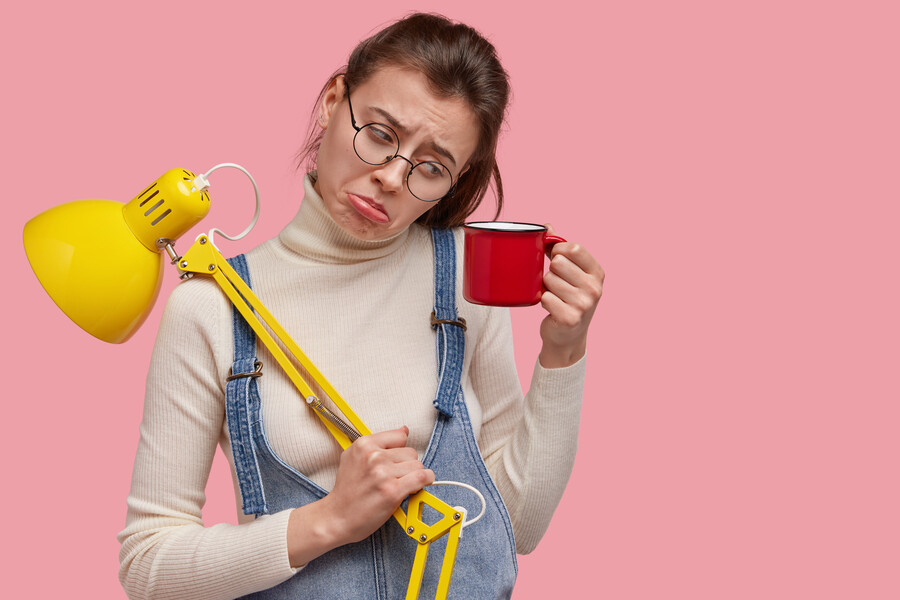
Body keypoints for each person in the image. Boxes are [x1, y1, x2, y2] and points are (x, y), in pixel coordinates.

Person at [118, 12, 604, 600]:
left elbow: (515, 527)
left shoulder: (464, 281)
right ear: (332, 101)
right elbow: (148, 566)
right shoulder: (211, 310)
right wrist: (327, 522)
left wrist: (564, 350)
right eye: (378, 133)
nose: (392, 178)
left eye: (431, 167)